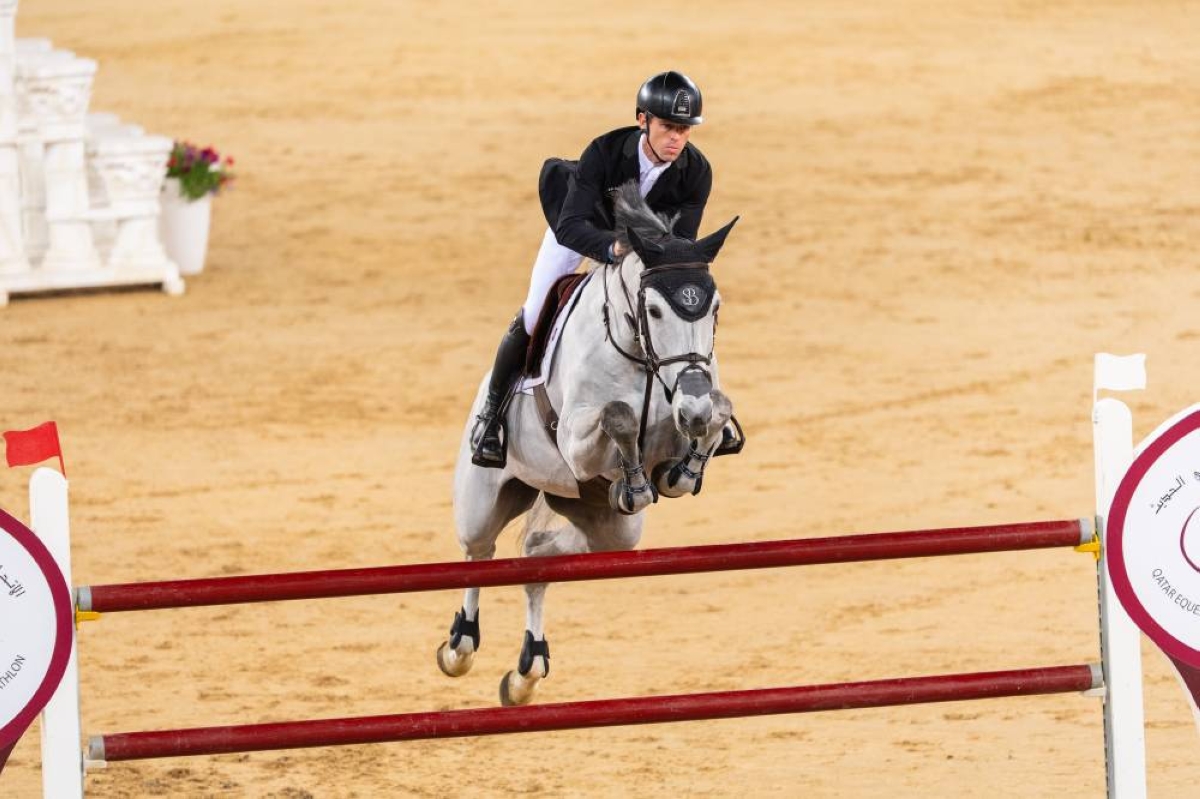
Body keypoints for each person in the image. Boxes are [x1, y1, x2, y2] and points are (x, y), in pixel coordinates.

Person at [472, 70, 713, 468]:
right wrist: (609, 246)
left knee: (675, 313)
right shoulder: (604, 152)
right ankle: (491, 417)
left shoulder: (697, 171)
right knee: (534, 313)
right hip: (583, 232)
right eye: (669, 126)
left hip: (641, 251)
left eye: (685, 130)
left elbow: (679, 242)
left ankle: (692, 408)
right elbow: (570, 225)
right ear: (642, 120)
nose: (677, 138)